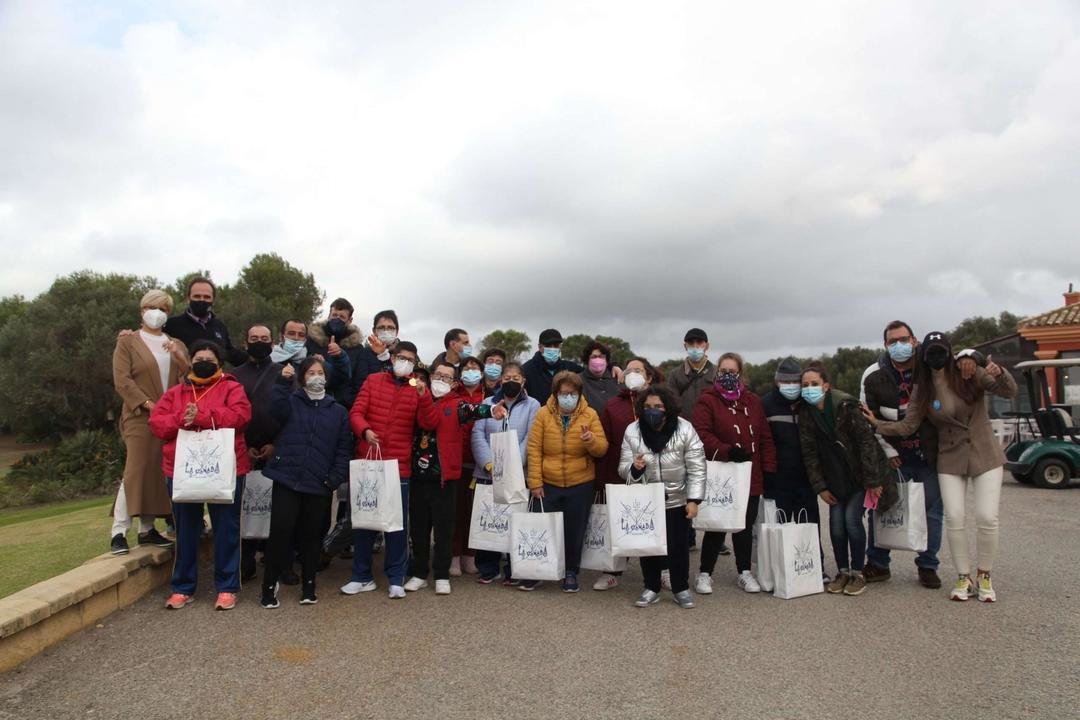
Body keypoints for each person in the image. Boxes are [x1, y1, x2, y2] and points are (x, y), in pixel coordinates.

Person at [865, 331, 1017, 603]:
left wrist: (997, 370)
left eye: (941, 351)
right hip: (949, 456)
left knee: (986, 517)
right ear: (924, 357)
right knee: (955, 518)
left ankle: (984, 575)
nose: (936, 357)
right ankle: (963, 576)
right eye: (931, 352)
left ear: (950, 353)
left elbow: (1008, 390)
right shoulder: (923, 389)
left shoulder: (967, 371)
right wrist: (877, 425)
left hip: (984, 453)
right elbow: (908, 425)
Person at [149, 340, 252, 611]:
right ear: (190, 362)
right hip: (182, 470)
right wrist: (183, 417)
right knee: (186, 531)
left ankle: (227, 587)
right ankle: (182, 587)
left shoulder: (232, 387)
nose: (203, 362)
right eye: (198, 358)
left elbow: (241, 415)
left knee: (227, 529)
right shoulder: (175, 393)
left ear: (219, 364)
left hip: (226, 469)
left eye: (209, 358)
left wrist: (203, 416)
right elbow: (157, 424)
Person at [342, 341, 440, 599]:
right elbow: (356, 413)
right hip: (368, 462)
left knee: (395, 526)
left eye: (410, 359)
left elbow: (429, 422)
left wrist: (424, 395)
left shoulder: (416, 388)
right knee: (363, 521)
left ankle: (396, 577)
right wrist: (365, 430)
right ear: (393, 357)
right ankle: (361, 576)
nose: (404, 362)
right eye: (401, 357)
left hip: (398, 466)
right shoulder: (374, 380)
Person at [260, 356, 352, 608]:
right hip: (287, 478)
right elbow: (274, 410)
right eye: (310, 372)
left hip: (319, 483)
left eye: (320, 372)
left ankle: (309, 585)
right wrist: (282, 382)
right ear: (302, 378)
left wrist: (333, 479)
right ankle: (269, 585)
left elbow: (343, 450)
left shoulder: (338, 411)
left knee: (312, 537)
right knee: (280, 531)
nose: (316, 376)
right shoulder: (291, 401)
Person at [798, 363, 896, 597]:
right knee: (836, 525)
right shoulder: (806, 414)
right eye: (805, 385)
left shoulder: (846, 406)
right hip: (834, 480)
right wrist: (820, 486)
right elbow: (809, 453)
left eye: (814, 384)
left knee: (852, 521)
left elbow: (866, 444)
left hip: (860, 477)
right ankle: (842, 571)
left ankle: (858, 572)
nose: (809, 389)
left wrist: (873, 481)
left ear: (826, 385)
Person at [860, 321, 944, 590]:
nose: (899, 345)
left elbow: (958, 357)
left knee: (931, 511)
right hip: (894, 454)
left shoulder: (930, 368)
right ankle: (878, 563)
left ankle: (928, 565)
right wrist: (888, 451)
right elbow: (867, 418)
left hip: (928, 453)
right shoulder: (873, 375)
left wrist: (974, 357)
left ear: (914, 340)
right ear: (885, 345)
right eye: (892, 341)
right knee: (883, 508)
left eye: (903, 339)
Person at [404, 361, 497, 595]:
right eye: (438, 375)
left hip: (445, 478)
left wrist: (492, 411)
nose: (441, 380)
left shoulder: (457, 405)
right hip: (417, 476)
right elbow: (421, 420)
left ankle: (442, 574)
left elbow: (475, 410)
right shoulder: (417, 398)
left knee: (445, 529)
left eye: (447, 377)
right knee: (419, 528)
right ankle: (419, 573)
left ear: (455, 383)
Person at [109, 289, 189, 554]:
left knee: (158, 470)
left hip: (169, 419)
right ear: (142, 310)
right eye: (152, 307)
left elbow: (190, 376)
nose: (157, 312)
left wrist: (178, 355)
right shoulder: (128, 341)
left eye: (163, 308)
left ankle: (147, 530)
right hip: (139, 416)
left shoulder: (175, 343)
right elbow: (123, 380)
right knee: (136, 468)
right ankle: (119, 531)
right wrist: (149, 404)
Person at [691, 352, 777, 595]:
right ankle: (705, 573)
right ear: (716, 372)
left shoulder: (752, 401)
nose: (728, 375)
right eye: (723, 371)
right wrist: (727, 450)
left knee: (744, 526)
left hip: (750, 473)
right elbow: (701, 433)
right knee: (716, 525)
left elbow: (765, 438)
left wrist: (769, 468)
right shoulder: (707, 400)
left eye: (733, 372)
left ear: (741, 374)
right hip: (722, 472)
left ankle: (744, 571)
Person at [619, 385, 705, 609]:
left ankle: (680, 588)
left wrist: (694, 500)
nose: (652, 410)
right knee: (647, 547)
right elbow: (622, 467)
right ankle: (651, 587)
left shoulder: (685, 429)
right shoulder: (632, 431)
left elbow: (697, 467)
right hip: (646, 500)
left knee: (678, 546)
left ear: (667, 407)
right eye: (647, 407)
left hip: (677, 499)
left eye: (658, 406)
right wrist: (634, 469)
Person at [524, 371, 608, 592]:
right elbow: (534, 449)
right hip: (548, 482)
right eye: (563, 393)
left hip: (580, 483)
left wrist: (591, 441)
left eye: (572, 393)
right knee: (544, 529)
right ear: (555, 394)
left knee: (574, 530)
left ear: (579, 394)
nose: (567, 397)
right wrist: (535, 482)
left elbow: (602, 449)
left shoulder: (589, 414)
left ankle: (571, 571)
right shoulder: (543, 414)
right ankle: (539, 570)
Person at [593, 357, 661, 591]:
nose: (633, 373)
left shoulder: (660, 403)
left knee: (652, 523)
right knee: (620, 522)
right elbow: (605, 442)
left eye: (639, 370)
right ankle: (613, 571)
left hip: (654, 474)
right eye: (629, 370)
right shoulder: (612, 405)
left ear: (648, 377)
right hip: (619, 472)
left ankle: (661, 571)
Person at [471, 362, 541, 585]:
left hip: (516, 473)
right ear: (501, 380)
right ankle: (488, 567)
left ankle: (513, 568)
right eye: (507, 377)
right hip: (487, 473)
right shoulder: (487, 403)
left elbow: (530, 438)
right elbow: (477, 435)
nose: (511, 381)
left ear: (523, 381)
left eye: (516, 378)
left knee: (514, 519)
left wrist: (509, 467)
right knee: (489, 518)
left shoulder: (533, 405)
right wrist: (489, 464)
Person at [760, 357, 825, 574]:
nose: (790, 386)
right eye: (785, 381)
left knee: (809, 524)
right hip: (777, 478)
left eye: (795, 381)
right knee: (779, 526)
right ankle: (781, 570)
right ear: (777, 381)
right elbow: (762, 442)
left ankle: (815, 568)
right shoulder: (766, 404)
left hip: (806, 478)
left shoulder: (808, 403)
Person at [232, 324, 285, 582]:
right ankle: (247, 560)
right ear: (245, 343)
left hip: (276, 449)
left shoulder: (283, 373)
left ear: (273, 343)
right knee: (247, 505)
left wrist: (277, 443)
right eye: (254, 338)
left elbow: (291, 413)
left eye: (265, 338)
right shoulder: (233, 376)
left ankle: (277, 561)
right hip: (244, 449)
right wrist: (244, 447)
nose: (259, 342)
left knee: (277, 508)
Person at [450, 355, 487, 576]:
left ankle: (470, 555)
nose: (470, 370)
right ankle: (454, 556)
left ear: (481, 373)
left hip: (481, 463)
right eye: (466, 367)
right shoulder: (453, 393)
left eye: (475, 367)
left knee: (476, 511)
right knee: (456, 511)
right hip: (457, 459)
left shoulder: (489, 396)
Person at [163, 277, 246, 366]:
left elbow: (230, 353)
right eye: (197, 296)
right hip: (183, 379)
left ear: (213, 300)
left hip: (215, 379)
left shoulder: (219, 326)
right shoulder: (171, 325)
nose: (202, 300)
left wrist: (255, 359)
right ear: (188, 298)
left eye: (207, 297)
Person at [305, 298, 366, 408]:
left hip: (342, 406)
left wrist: (347, 402)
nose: (337, 319)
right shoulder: (313, 341)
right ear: (329, 315)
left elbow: (358, 382)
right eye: (334, 315)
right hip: (311, 402)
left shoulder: (357, 348)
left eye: (342, 317)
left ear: (350, 320)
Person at [521, 329, 584, 405]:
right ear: (540, 347)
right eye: (548, 345)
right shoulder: (525, 369)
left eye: (556, 345)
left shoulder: (571, 368)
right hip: (536, 415)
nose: (552, 348)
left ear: (560, 347)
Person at [669, 328, 716, 419]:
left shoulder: (717, 372)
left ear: (707, 346)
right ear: (685, 346)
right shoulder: (675, 374)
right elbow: (672, 404)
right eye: (690, 343)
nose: (695, 346)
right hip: (684, 428)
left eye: (699, 342)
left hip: (710, 427)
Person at [579, 340, 621, 415]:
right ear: (587, 360)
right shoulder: (578, 381)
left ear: (607, 361)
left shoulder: (618, 378)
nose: (598, 360)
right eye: (594, 357)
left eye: (601, 357)